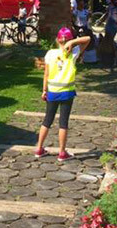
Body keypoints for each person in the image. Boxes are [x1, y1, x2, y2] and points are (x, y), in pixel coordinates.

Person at [36, 28, 91, 161]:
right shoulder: (74, 53)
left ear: (57, 39)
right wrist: (73, 42)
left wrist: (44, 90)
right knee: (63, 122)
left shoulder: (50, 53)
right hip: (66, 92)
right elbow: (88, 39)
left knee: (47, 120)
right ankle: (62, 152)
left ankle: (39, 148)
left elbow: (46, 74)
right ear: (70, 39)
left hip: (52, 91)